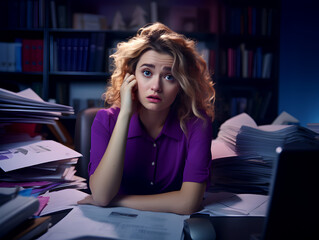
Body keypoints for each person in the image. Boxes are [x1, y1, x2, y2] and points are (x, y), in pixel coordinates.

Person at [78, 22, 216, 215]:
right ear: (131, 77)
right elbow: (101, 195)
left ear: (182, 85)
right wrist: (125, 113)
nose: (156, 86)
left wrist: (118, 201)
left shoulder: (197, 124)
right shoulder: (105, 120)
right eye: (147, 73)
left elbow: (189, 203)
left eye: (169, 77)